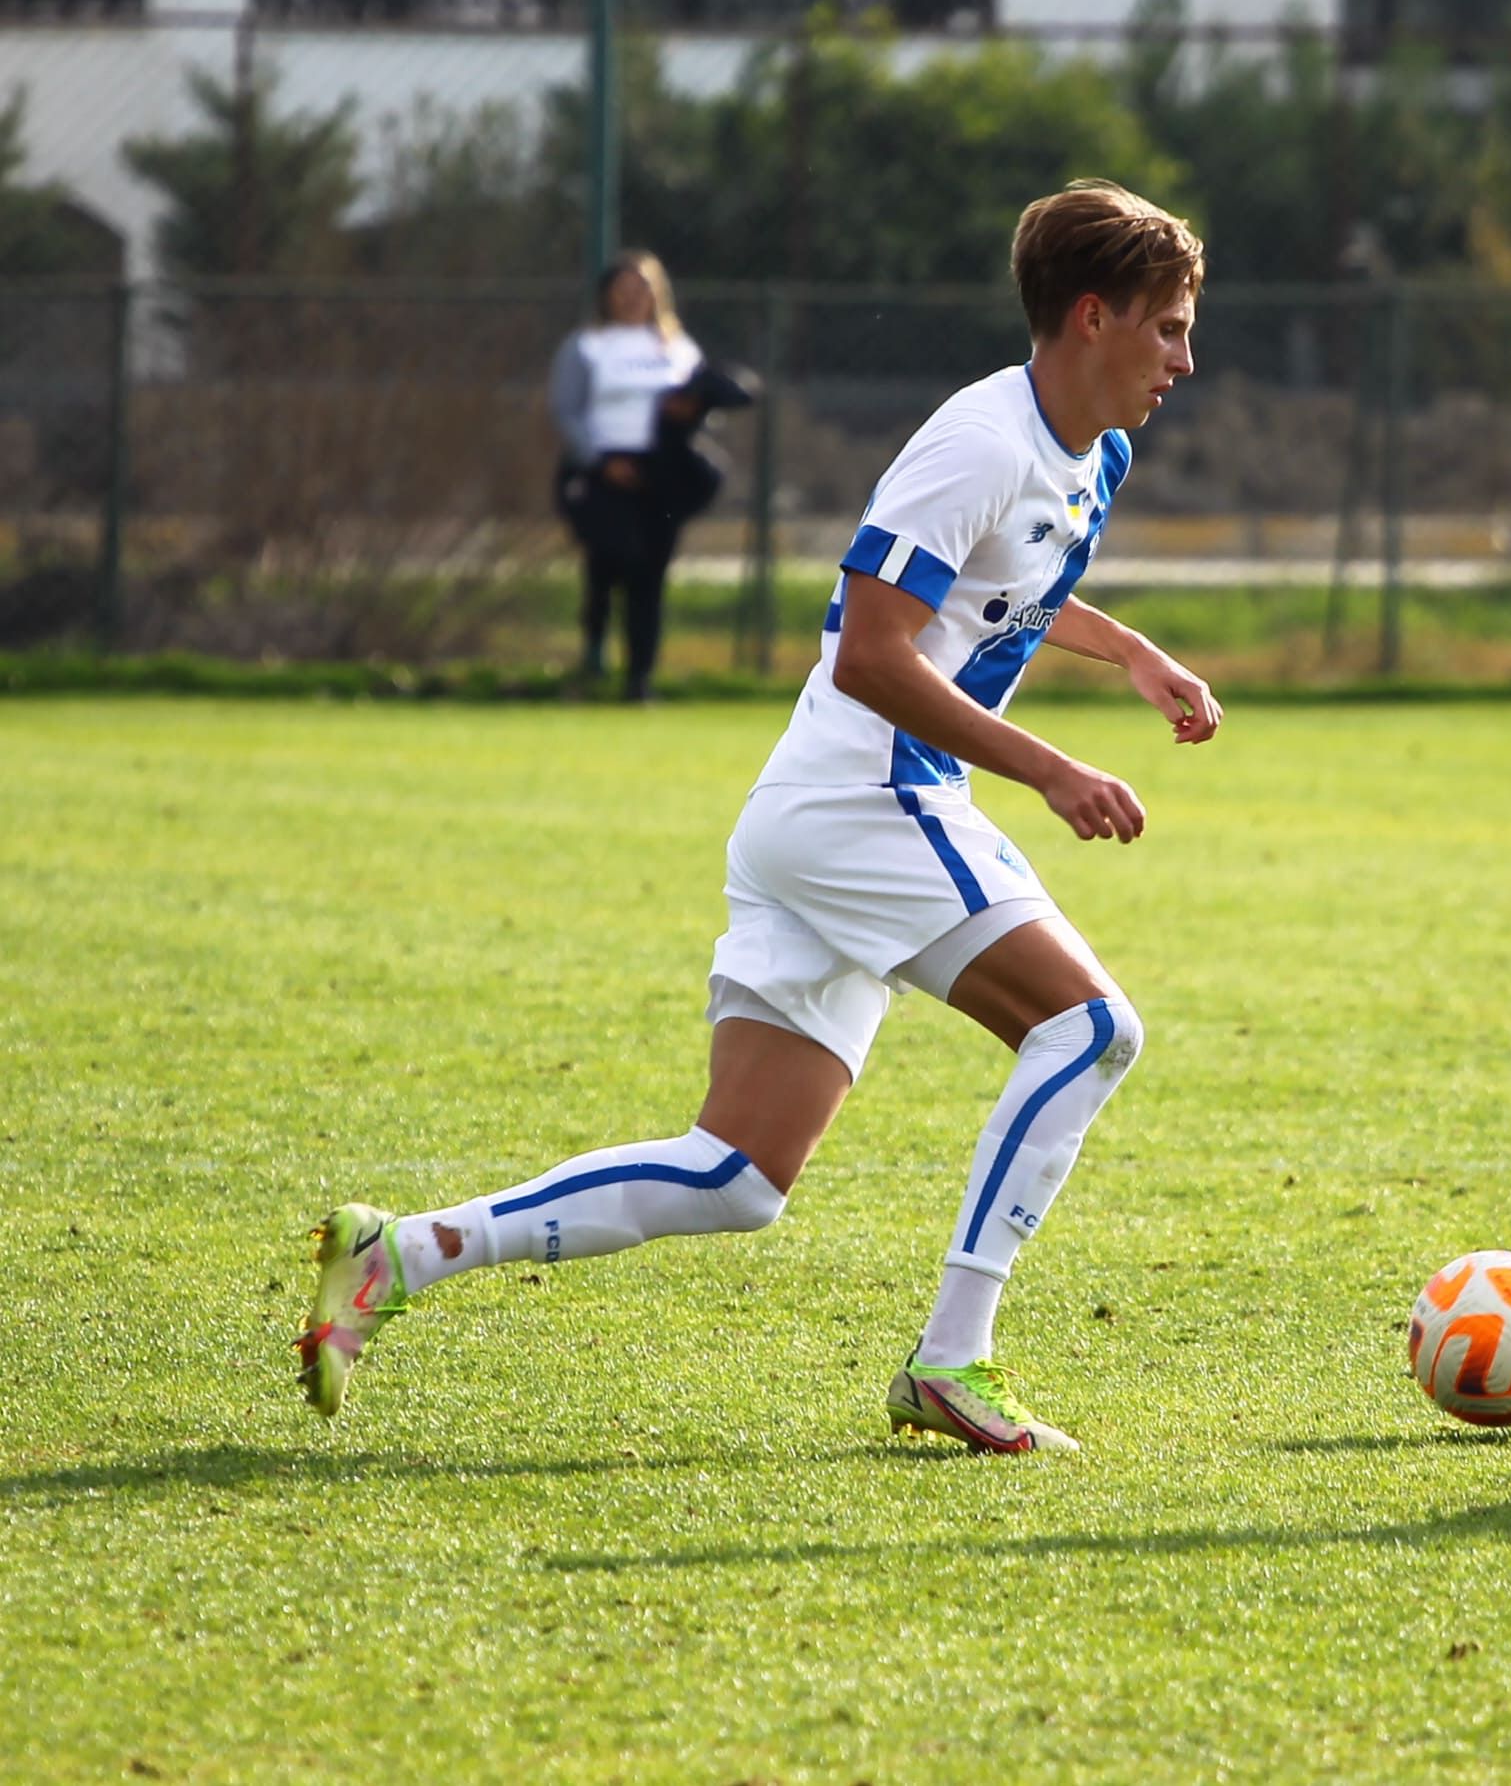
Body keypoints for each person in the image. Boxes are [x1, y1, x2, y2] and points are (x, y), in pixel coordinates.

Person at [300, 182, 1221, 1454]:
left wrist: (1130, 652)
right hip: (867, 794)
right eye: (1168, 327)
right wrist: (1049, 768)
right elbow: (873, 655)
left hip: (819, 811)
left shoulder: (1091, 452)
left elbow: (1012, 585)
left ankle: (395, 1254)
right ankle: (954, 1359)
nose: (1185, 357)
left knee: (735, 1175)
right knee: (1090, 1027)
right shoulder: (979, 440)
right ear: (1089, 315)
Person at [550, 252, 703, 701]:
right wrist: (600, 460)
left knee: (650, 575)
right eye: (623, 288)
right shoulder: (586, 345)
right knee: (606, 567)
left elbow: (696, 407)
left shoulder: (678, 349)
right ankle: (591, 662)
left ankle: (640, 677)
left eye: (643, 287)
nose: (633, 297)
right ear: (606, 295)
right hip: (602, 472)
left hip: (657, 477)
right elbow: (567, 410)